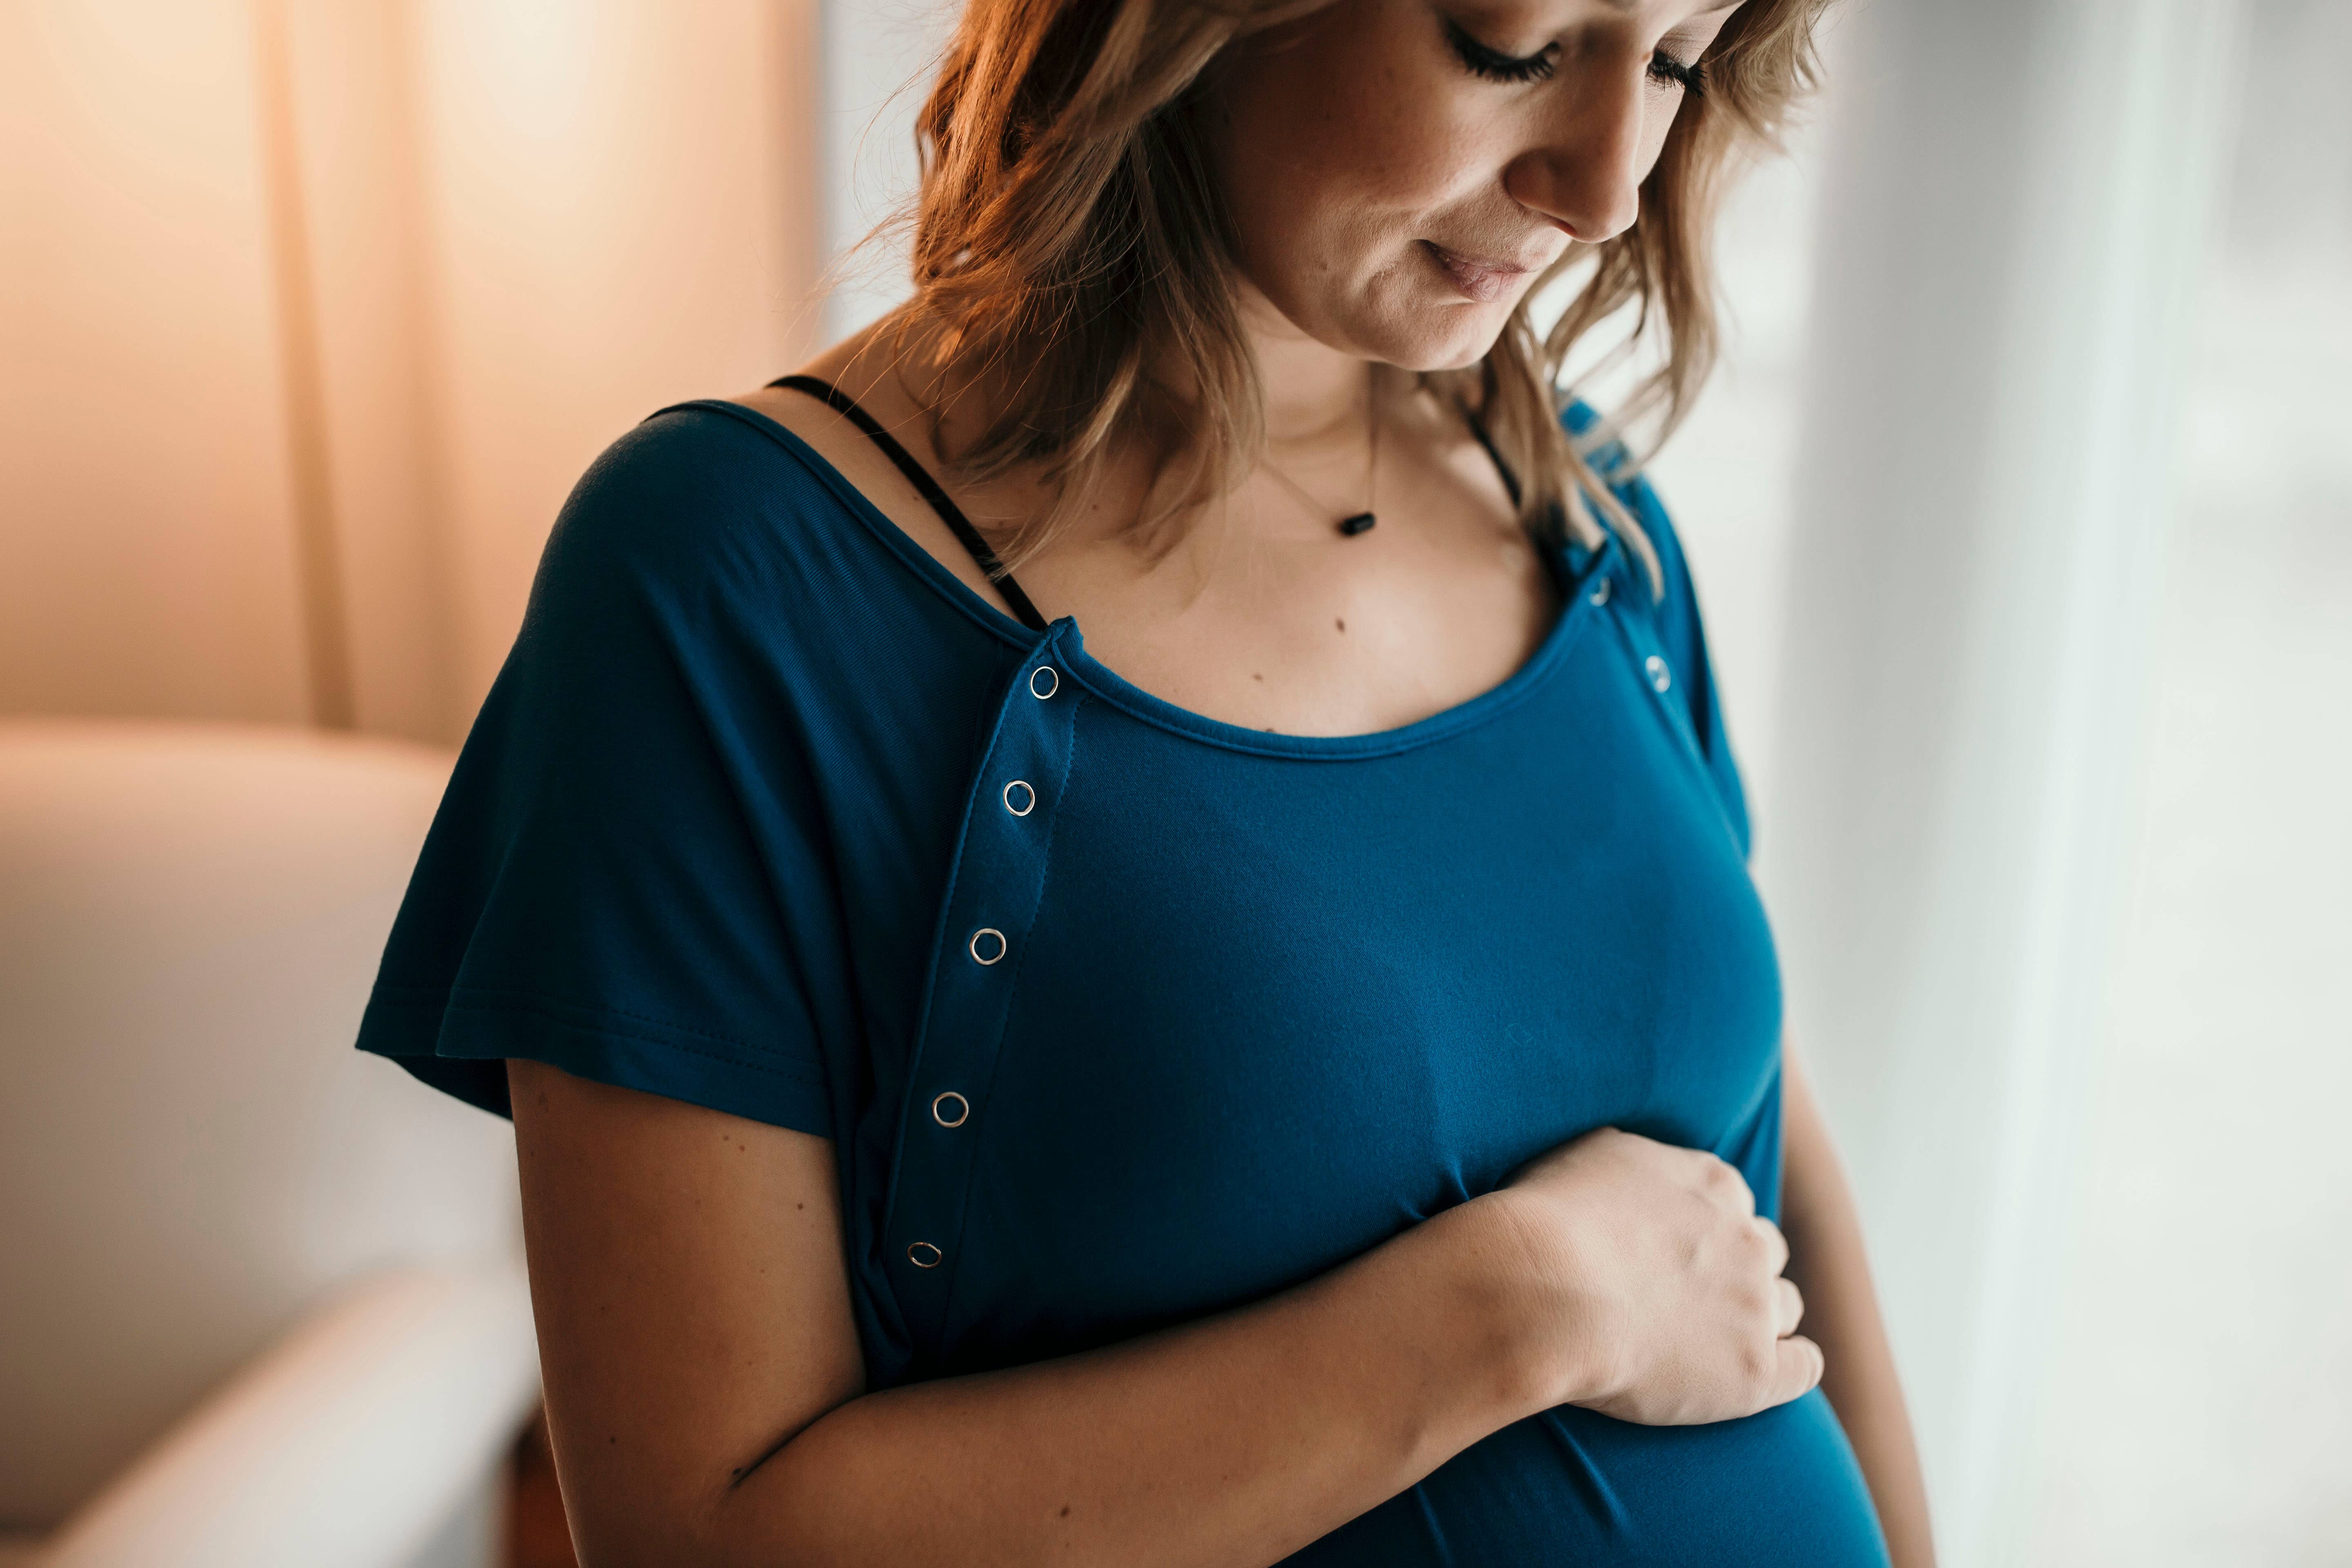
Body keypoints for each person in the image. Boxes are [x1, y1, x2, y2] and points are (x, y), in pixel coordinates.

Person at [358, 0, 1936, 1562]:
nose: (1604, 190)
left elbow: (1776, 1184)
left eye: (1673, 60)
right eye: (1507, 48)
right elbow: (697, 1538)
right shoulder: (731, 585)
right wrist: (1510, 1314)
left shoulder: (1581, 510)